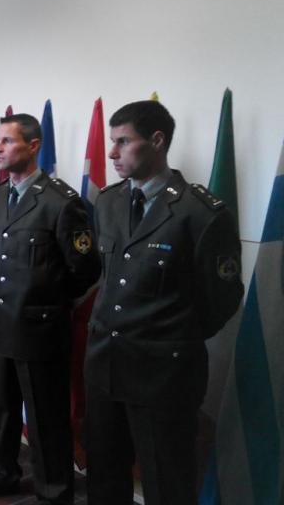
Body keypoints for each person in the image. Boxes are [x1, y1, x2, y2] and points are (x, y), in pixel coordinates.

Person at [84, 100, 244, 505]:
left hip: (162, 375)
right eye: (112, 141)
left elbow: (221, 300)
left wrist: (166, 338)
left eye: (123, 141)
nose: (112, 152)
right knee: (104, 474)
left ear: (157, 141)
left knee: (166, 483)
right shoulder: (109, 201)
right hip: (105, 364)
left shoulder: (200, 213)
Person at [0, 114, 101, 503]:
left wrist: (45, 302)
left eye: (7, 141)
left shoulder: (60, 201)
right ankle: (3, 473)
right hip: (0, 326)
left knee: (45, 418)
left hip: (40, 330)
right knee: (4, 409)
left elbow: (85, 270)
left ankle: (54, 491)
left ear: (33, 145)